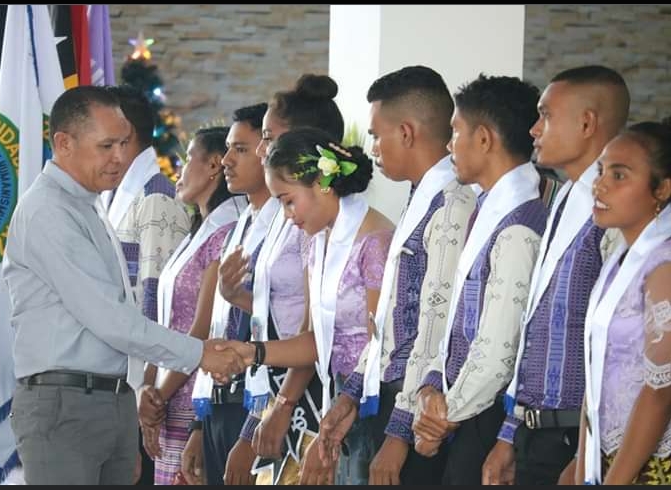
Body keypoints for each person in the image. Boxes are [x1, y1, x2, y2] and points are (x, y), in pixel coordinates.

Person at [1, 85, 244, 485]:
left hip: (104, 399)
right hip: (67, 404)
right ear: (63, 143)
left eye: (124, 143)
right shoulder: (49, 210)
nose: (120, 157)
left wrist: (128, 402)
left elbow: (124, 312)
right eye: (106, 145)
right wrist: (200, 354)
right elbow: (110, 319)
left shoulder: (86, 203)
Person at [316, 65, 477, 486]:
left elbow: (435, 327)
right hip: (394, 401)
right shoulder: (419, 199)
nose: (371, 147)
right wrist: (351, 393)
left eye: (375, 133)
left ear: (406, 132)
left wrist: (399, 434)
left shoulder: (452, 205)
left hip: (422, 413)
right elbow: (391, 318)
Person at [482, 65, 629, 485]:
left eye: (545, 115)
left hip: (579, 441)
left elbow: (619, 348)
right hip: (536, 433)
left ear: (587, 123)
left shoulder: (619, 211)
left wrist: (587, 453)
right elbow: (536, 327)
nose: (533, 129)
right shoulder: (564, 196)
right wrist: (510, 434)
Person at [222, 126, 394, 485]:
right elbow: (315, 339)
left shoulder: (374, 241)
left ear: (323, 183)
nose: (287, 215)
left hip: (375, 402)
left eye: (288, 200)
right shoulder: (316, 240)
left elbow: (382, 345)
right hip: (339, 397)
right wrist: (251, 352)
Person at [412, 74, 548, 484]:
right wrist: (430, 388)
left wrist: (442, 416)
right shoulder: (487, 207)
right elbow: (455, 316)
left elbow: (499, 347)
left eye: (456, 131)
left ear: (485, 139)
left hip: (484, 416)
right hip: (457, 406)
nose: (450, 145)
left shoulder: (521, 221)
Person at [223, 73, 344, 486]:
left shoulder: (316, 220)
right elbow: (282, 306)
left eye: (268, 137)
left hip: (305, 389)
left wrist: (283, 402)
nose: (260, 149)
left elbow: (315, 328)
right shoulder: (285, 212)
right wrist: (235, 296)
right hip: (279, 382)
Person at [136, 126, 247, 485]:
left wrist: (159, 397)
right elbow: (165, 320)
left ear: (213, 165)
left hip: (190, 399)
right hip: (166, 396)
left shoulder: (227, 229)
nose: (179, 172)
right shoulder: (199, 229)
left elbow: (203, 327)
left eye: (187, 160)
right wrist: (149, 391)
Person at [182, 102, 279, 486]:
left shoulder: (287, 225)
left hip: (257, 405)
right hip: (222, 404)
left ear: (266, 150)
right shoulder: (241, 224)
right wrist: (200, 424)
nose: (226, 160)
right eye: (226, 149)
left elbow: (287, 325)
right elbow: (216, 331)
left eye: (240, 149)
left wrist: (249, 430)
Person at [102, 83, 192, 486]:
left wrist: (144, 389)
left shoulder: (156, 197)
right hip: (112, 378)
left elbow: (158, 303)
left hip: (139, 388)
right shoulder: (113, 194)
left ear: (125, 134)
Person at [578, 120, 671, 484]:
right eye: (601, 171)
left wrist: (615, 480)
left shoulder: (662, 264)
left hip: (649, 465)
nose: (599, 185)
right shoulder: (619, 257)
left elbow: (661, 390)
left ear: (661, 189)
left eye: (619, 176)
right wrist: (584, 463)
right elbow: (597, 365)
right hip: (605, 454)